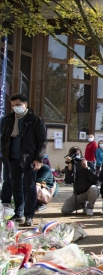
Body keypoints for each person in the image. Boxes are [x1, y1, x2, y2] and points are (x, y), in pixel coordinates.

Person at [0, 94, 47, 226]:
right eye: (13, 105)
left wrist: (38, 159)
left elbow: (42, 141)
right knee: (16, 186)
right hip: (12, 158)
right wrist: (4, 154)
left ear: (25, 104)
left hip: (29, 159)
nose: (16, 108)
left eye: (18, 105)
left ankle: (29, 215)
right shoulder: (8, 120)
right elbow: (4, 138)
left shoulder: (35, 120)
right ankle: (19, 213)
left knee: (29, 187)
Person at [62, 146, 99, 216]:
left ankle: (89, 207)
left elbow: (95, 179)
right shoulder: (71, 165)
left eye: (78, 153)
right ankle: (82, 205)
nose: (76, 156)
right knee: (65, 210)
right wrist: (69, 169)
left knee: (94, 189)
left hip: (88, 192)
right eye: (74, 154)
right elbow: (68, 181)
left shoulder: (89, 163)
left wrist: (86, 168)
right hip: (78, 194)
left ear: (81, 154)